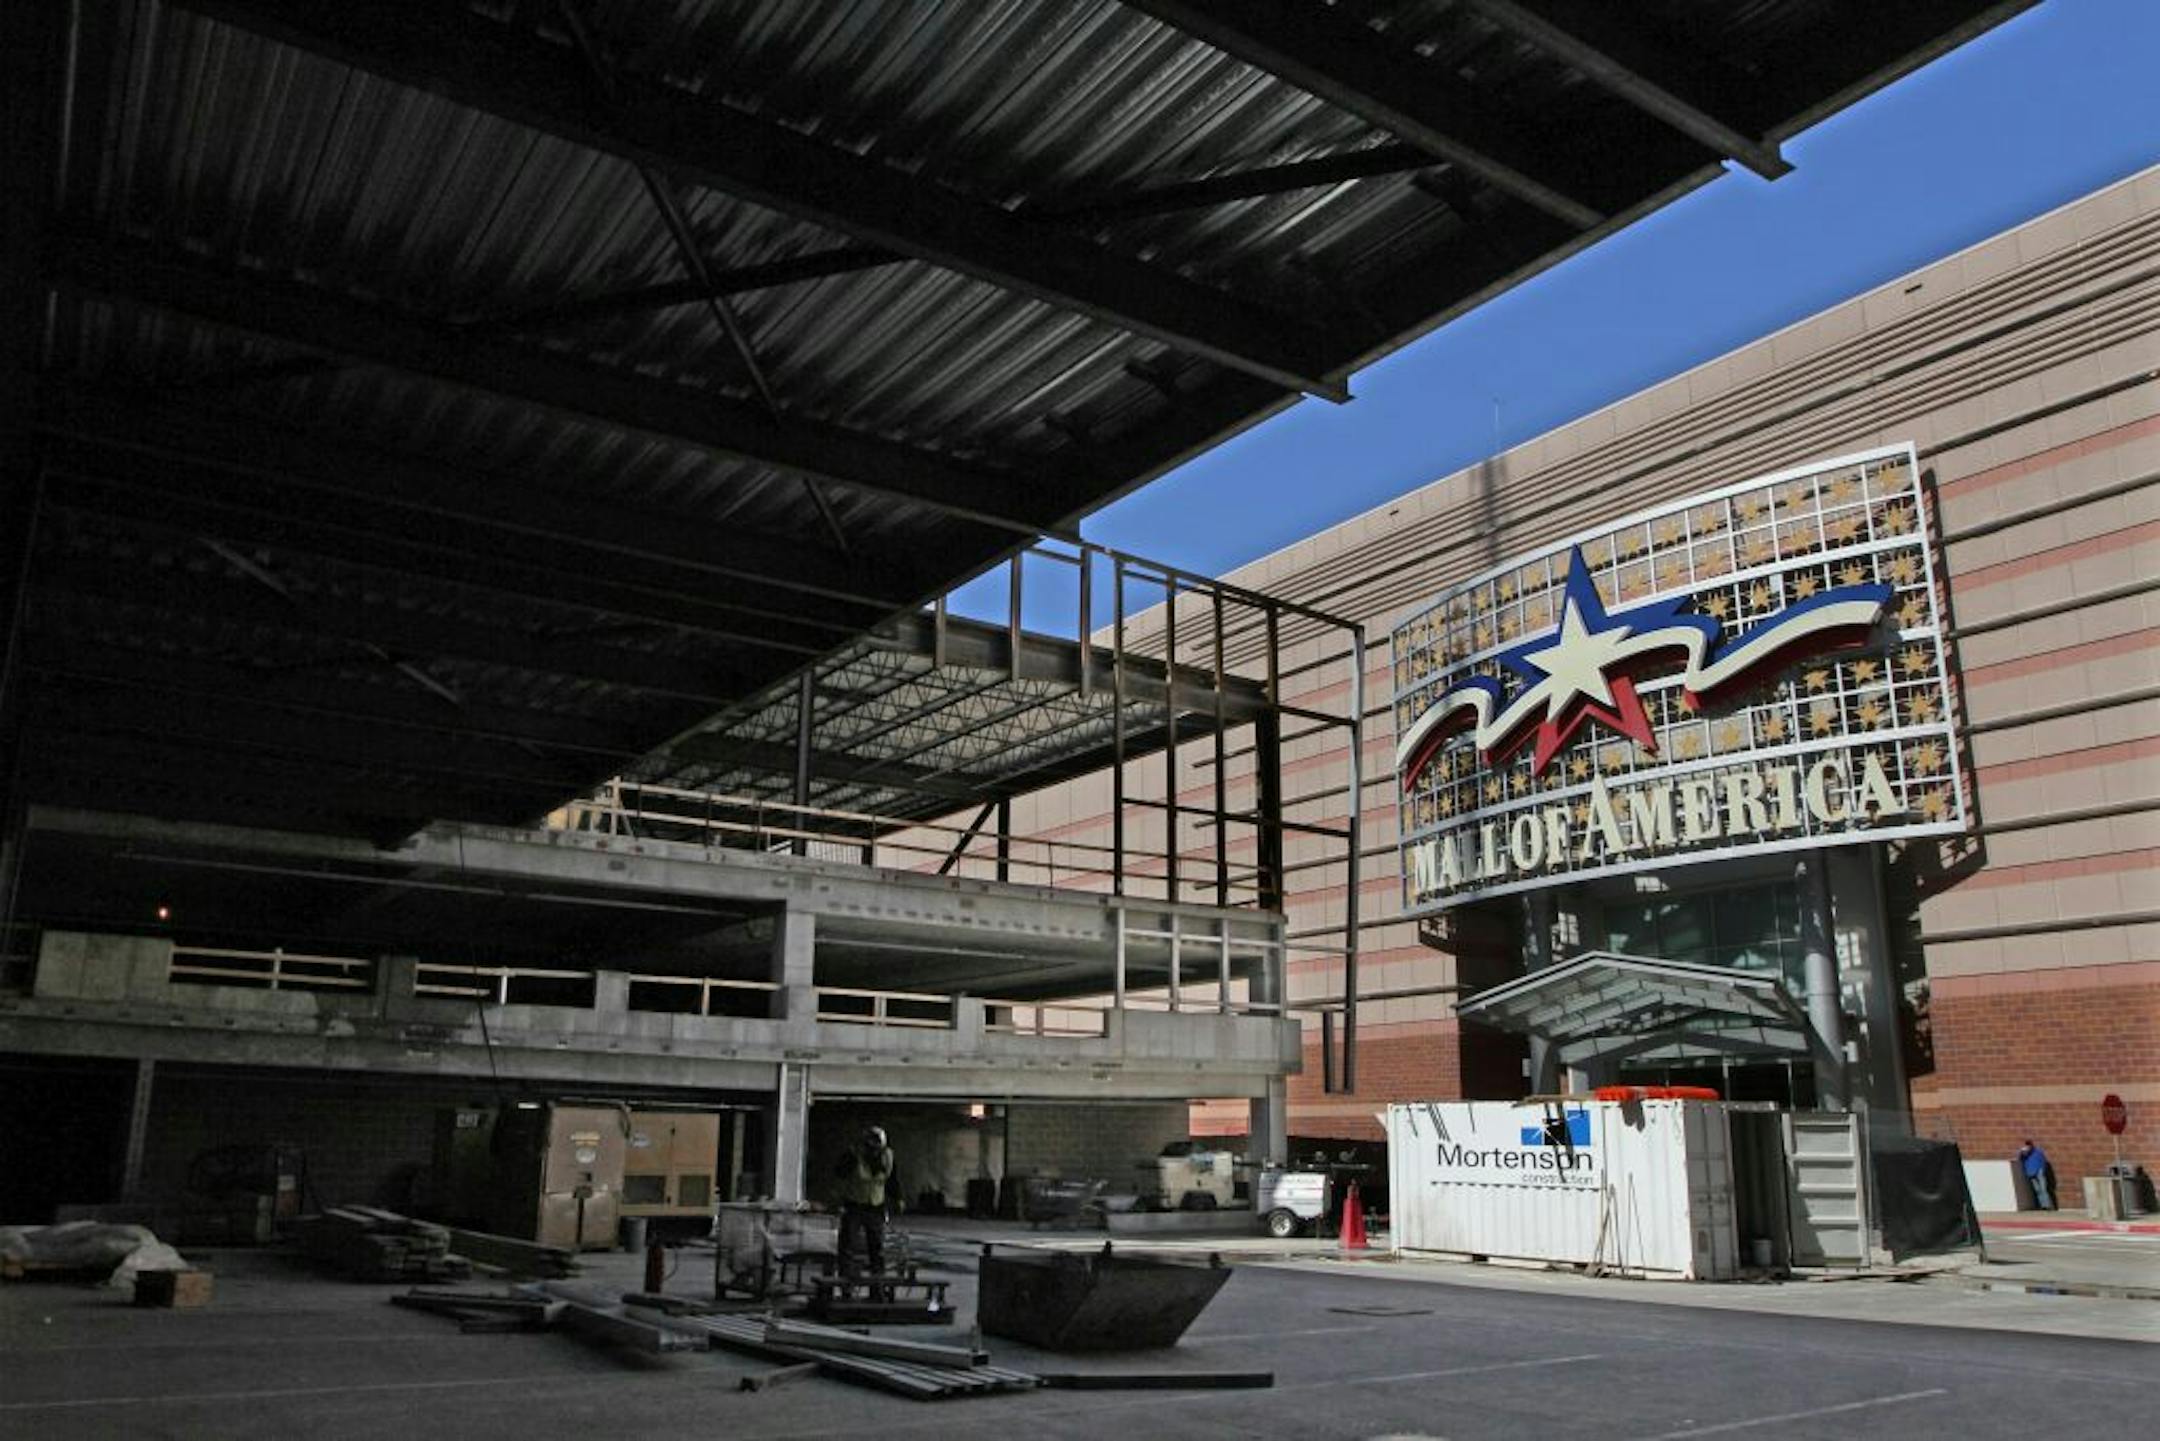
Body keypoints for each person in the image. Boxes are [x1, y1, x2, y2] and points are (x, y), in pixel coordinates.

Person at [835, 1124, 894, 1278]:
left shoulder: (886, 1156)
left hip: (875, 1206)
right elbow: (839, 1174)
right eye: (871, 1148)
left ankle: (877, 1287)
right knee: (848, 1246)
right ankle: (846, 1285)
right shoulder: (854, 1155)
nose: (874, 1152)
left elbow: (891, 1179)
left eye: (877, 1149)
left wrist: (897, 1198)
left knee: (877, 1248)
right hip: (854, 1205)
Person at [2018, 1138, 2054, 1211]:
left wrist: (2042, 1170)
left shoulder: (2038, 1151)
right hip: (2030, 1172)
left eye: (2029, 1145)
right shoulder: (2024, 1153)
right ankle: (2043, 1205)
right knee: (2037, 1190)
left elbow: (2043, 1161)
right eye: (2027, 1145)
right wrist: (2022, 1153)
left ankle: (2047, 1205)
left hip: (2039, 1171)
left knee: (2043, 1189)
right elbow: (2020, 1159)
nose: (2028, 1146)